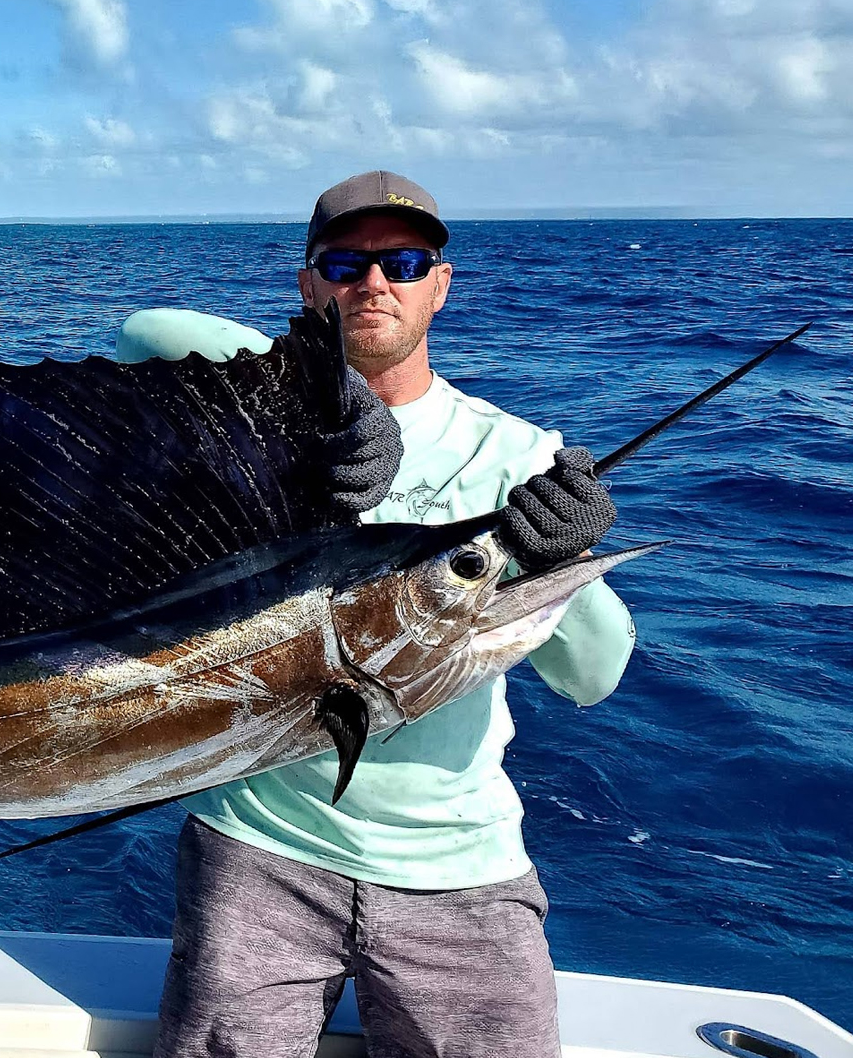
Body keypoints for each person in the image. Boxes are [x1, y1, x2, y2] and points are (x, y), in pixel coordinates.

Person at [120, 171, 636, 1058]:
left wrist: (563, 565)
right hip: (257, 850)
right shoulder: (260, 425)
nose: (373, 284)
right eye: (344, 264)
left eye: (402, 263)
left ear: (441, 284)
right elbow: (142, 331)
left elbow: (594, 678)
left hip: (460, 871)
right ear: (308, 285)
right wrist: (317, 399)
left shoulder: (517, 457)